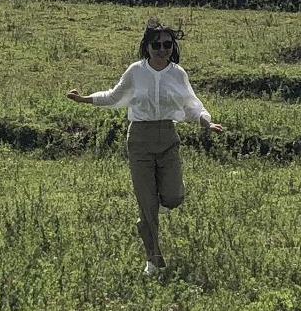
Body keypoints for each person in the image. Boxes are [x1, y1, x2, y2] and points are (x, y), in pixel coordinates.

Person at [66, 19, 223, 277]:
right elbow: (114, 96)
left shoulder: (177, 73)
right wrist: (85, 99)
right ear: (146, 47)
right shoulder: (136, 71)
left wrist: (206, 121)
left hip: (167, 137)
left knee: (173, 197)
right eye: (157, 45)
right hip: (139, 139)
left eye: (167, 45)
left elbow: (191, 104)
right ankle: (154, 260)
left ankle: (159, 204)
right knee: (146, 206)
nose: (162, 50)